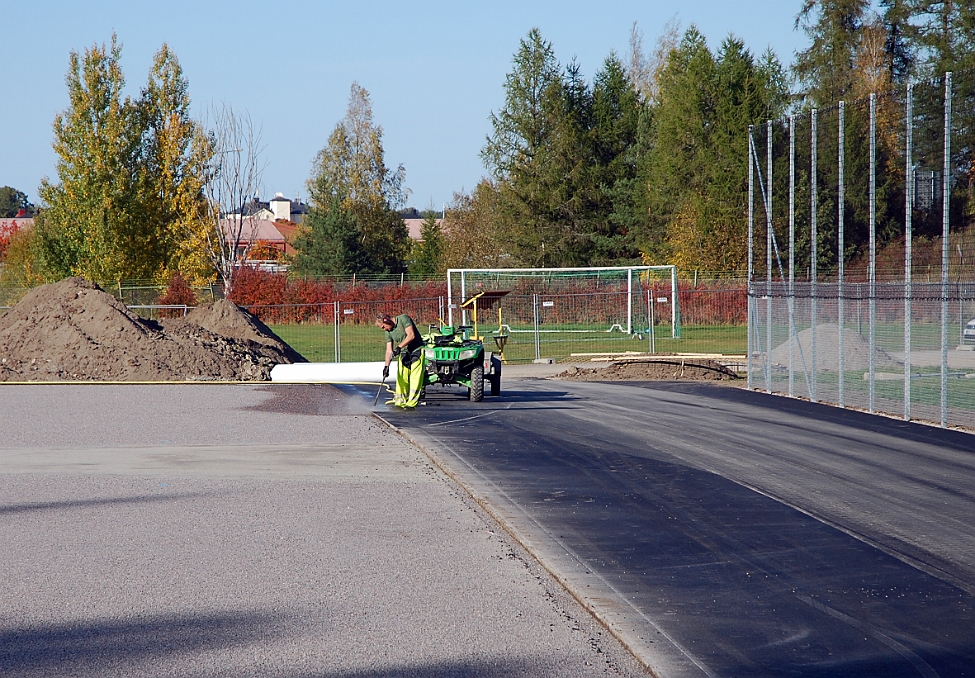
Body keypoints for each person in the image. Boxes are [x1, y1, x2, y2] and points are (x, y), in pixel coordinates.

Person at [376, 313, 425, 408]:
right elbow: (389, 350)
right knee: (402, 379)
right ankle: (400, 402)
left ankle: (411, 404)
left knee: (415, 379)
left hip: (416, 350)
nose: (384, 329)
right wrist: (386, 366)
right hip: (404, 352)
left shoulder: (404, 319)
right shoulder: (388, 332)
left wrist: (399, 347)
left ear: (387, 320)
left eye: (383, 327)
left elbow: (411, 335)